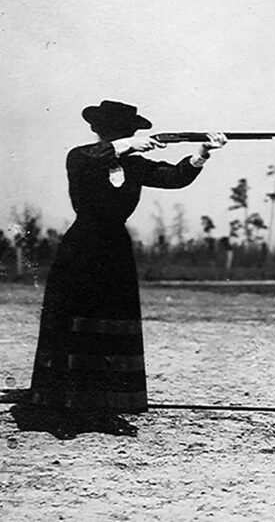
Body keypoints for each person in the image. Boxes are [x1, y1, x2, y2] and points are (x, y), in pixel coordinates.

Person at [12, 100, 226, 439]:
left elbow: (173, 177)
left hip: (115, 251)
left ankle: (104, 410)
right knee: (74, 325)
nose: (123, 136)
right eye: (119, 132)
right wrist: (126, 146)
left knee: (110, 326)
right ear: (102, 131)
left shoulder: (135, 165)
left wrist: (202, 154)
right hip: (82, 249)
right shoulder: (81, 158)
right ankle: (61, 410)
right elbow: (92, 157)